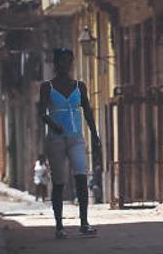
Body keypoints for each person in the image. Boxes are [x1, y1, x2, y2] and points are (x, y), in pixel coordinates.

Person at [39, 48, 101, 238]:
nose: (66, 65)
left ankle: (84, 222)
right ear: (55, 64)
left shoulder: (79, 86)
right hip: (56, 139)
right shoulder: (47, 87)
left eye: (69, 61)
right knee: (58, 182)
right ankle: (59, 226)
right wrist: (53, 124)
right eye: (62, 61)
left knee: (81, 177)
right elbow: (41, 113)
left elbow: (88, 112)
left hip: (76, 137)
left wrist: (95, 135)